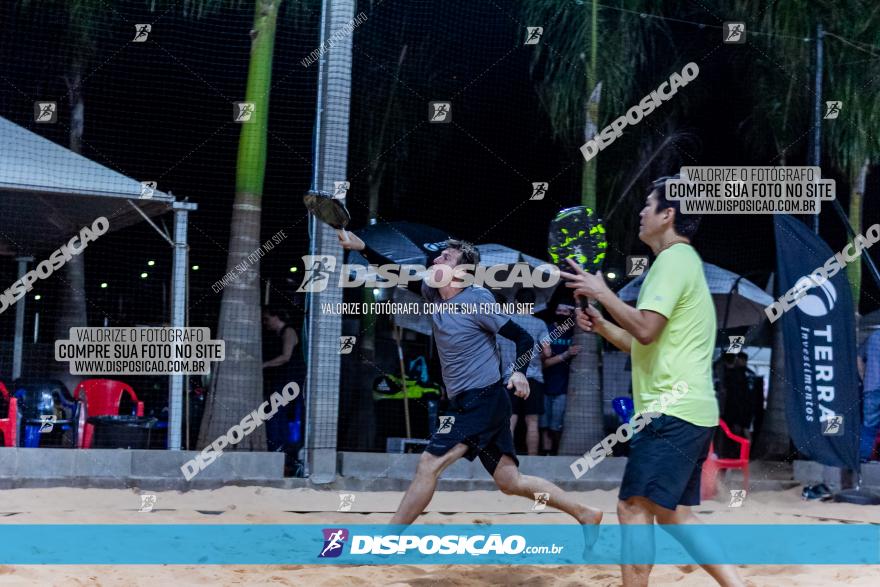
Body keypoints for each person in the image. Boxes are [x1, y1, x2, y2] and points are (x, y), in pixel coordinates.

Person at [339, 235, 602, 530]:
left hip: (482, 399)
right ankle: (585, 513)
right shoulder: (434, 293)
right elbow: (398, 276)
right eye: (438, 257)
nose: (436, 260)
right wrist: (363, 247)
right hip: (476, 401)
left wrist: (518, 372)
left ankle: (387, 540)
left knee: (429, 464)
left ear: (462, 272)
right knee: (510, 481)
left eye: (446, 258)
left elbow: (524, 338)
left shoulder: (477, 300)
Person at [562, 176, 745, 587]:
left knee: (632, 508)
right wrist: (603, 326)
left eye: (649, 205)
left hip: (670, 414)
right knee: (674, 514)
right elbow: (644, 342)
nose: (641, 212)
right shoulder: (684, 263)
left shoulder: (673, 261)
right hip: (691, 411)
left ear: (668, 214)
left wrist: (602, 293)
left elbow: (645, 330)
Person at [497, 289, 550, 455]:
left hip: (509, 378)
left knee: (510, 420)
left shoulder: (505, 323)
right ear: (532, 305)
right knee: (532, 421)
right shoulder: (540, 324)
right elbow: (547, 352)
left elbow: (495, 352)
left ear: (516, 303)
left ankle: (508, 456)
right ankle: (532, 459)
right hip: (533, 378)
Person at [262, 305, 306, 459]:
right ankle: (280, 450)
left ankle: (280, 451)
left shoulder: (288, 332)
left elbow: (286, 357)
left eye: (267, 319)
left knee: (277, 415)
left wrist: (263, 365)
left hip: (289, 382)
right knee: (276, 415)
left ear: (276, 317)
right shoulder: (276, 335)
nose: (265, 323)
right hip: (282, 381)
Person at [539, 303, 580, 455]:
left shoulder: (576, 333)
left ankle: (557, 452)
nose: (561, 313)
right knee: (543, 425)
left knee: (556, 425)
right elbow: (542, 363)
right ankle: (546, 454)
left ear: (571, 314)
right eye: (559, 310)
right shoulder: (547, 330)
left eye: (565, 311)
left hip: (564, 387)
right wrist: (565, 355)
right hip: (544, 384)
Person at [857, 329, 880, 461]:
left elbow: (858, 358)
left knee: (869, 426)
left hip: (871, 388)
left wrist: (864, 378)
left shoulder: (873, 336)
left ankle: (864, 458)